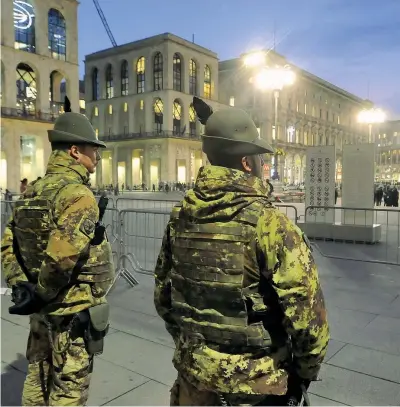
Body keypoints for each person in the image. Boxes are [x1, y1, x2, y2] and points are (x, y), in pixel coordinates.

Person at [154, 97, 330, 406]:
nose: (264, 166)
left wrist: (199, 351)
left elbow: (164, 297)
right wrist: (302, 375)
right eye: (260, 159)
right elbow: (308, 322)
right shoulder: (270, 224)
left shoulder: (181, 215)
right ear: (247, 163)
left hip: (193, 382)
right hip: (256, 389)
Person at [1, 111, 115, 406]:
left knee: (36, 379)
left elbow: (7, 244)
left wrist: (22, 286)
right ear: (75, 151)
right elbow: (61, 258)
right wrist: (41, 293)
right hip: (70, 314)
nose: (98, 156)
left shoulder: (32, 192)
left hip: (40, 313)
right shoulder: (78, 195)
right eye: (93, 149)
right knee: (68, 389)